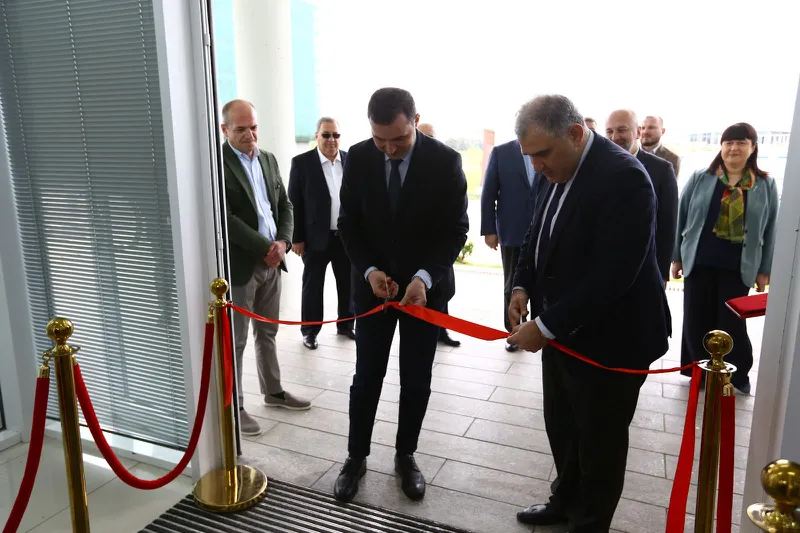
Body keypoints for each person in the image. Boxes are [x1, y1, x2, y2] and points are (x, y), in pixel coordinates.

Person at [507, 95, 670, 532]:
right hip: (562, 333)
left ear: (576, 134)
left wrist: (545, 326)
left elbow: (614, 275)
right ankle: (563, 502)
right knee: (562, 426)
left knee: (600, 443)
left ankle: (589, 523)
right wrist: (521, 286)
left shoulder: (624, 178)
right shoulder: (551, 169)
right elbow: (536, 232)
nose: (536, 166)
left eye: (543, 154)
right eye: (529, 156)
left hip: (613, 339)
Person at [334, 88, 468, 503]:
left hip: (423, 295)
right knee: (366, 376)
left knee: (416, 378)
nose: (389, 149)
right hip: (373, 291)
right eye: (380, 140)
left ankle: (406, 455)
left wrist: (424, 278)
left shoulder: (445, 162)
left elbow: (455, 230)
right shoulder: (358, 157)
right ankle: (355, 457)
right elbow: (349, 223)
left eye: (399, 139)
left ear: (415, 121)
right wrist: (370, 271)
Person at [221, 99, 312, 437]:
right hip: (243, 265)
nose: (250, 134)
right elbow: (226, 217)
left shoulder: (268, 159)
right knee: (237, 340)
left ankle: (273, 392)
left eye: (254, 127)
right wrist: (265, 248)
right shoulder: (218, 163)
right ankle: (235, 408)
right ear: (225, 129)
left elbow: (285, 205)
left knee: (268, 332)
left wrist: (283, 242)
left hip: (274, 261)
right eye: (241, 129)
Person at [673, 122, 778, 395]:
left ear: (753, 148)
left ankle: (736, 374)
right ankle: (699, 372)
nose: (734, 148)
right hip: (699, 261)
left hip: (738, 266)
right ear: (721, 146)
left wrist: (764, 270)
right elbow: (681, 216)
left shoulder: (765, 184)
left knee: (732, 323)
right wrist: (676, 257)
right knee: (696, 320)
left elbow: (771, 228)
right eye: (729, 142)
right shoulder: (701, 177)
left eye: (741, 142)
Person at [287, 117, 355, 350]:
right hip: (315, 239)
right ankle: (310, 331)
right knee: (313, 286)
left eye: (336, 135)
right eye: (326, 134)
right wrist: (296, 238)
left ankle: (346, 325)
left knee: (348, 283)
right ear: (316, 136)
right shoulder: (301, 163)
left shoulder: (350, 160)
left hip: (345, 238)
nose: (331, 139)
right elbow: (294, 203)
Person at [605, 109, 678, 284]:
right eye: (609, 131)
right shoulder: (597, 166)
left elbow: (667, 224)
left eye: (622, 130)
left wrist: (662, 273)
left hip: (645, 270)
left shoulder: (662, 169)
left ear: (638, 132)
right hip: (604, 268)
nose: (615, 137)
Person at [480, 139, 538, 351]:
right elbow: (488, 193)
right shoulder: (501, 153)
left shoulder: (548, 147)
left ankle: (539, 329)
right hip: (513, 231)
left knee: (542, 281)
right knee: (512, 284)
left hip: (543, 230)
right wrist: (489, 230)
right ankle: (513, 332)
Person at [416, 121, 460, 348]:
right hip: (414, 255)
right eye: (423, 137)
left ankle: (442, 330)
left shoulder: (446, 164)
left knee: (441, 291)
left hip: (439, 251)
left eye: (431, 137)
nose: (428, 142)